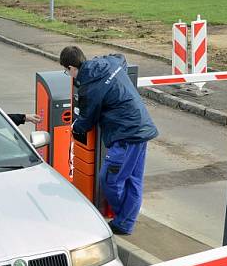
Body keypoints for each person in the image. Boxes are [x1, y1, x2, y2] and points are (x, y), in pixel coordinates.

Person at [60, 45, 158, 236]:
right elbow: (121, 57)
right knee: (133, 179)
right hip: (141, 127)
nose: (68, 75)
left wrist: (73, 128)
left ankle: (123, 220)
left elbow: (86, 120)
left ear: (72, 68)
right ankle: (126, 221)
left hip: (125, 135)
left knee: (109, 180)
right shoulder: (109, 63)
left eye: (66, 71)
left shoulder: (89, 89)